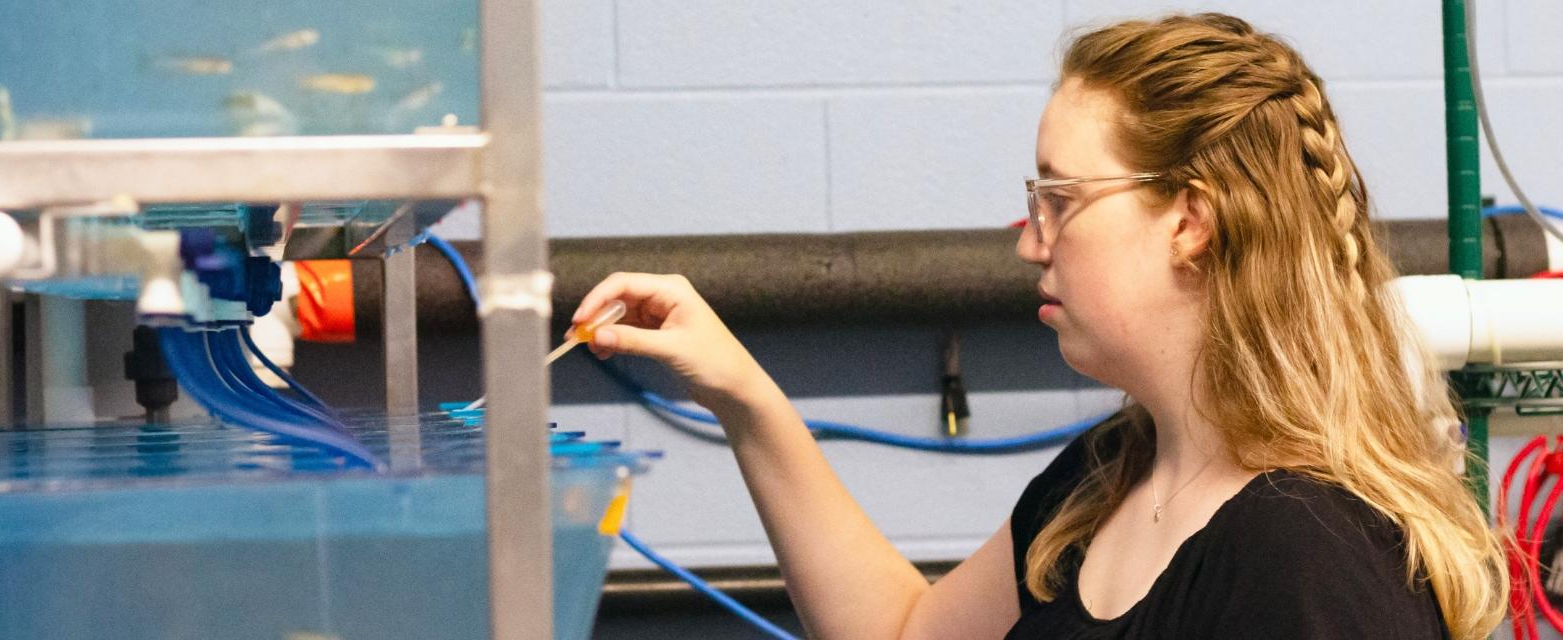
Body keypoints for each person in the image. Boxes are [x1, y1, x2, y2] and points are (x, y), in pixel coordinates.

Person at [569, 13, 1507, 639]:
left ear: (1191, 218)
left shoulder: (1305, 558)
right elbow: (904, 632)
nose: (1029, 241)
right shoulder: (1109, 477)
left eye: (1058, 198)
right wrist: (745, 396)